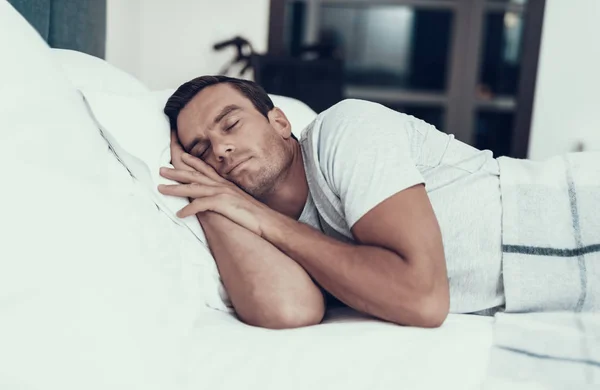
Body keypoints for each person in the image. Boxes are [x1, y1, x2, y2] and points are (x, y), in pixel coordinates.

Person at [158, 75, 600, 329]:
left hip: (577, 210)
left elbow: (423, 298)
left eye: (230, 124)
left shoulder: (344, 131)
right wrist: (209, 199)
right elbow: (289, 309)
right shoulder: (264, 228)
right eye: (200, 151)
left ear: (279, 121)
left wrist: (256, 215)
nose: (220, 150)